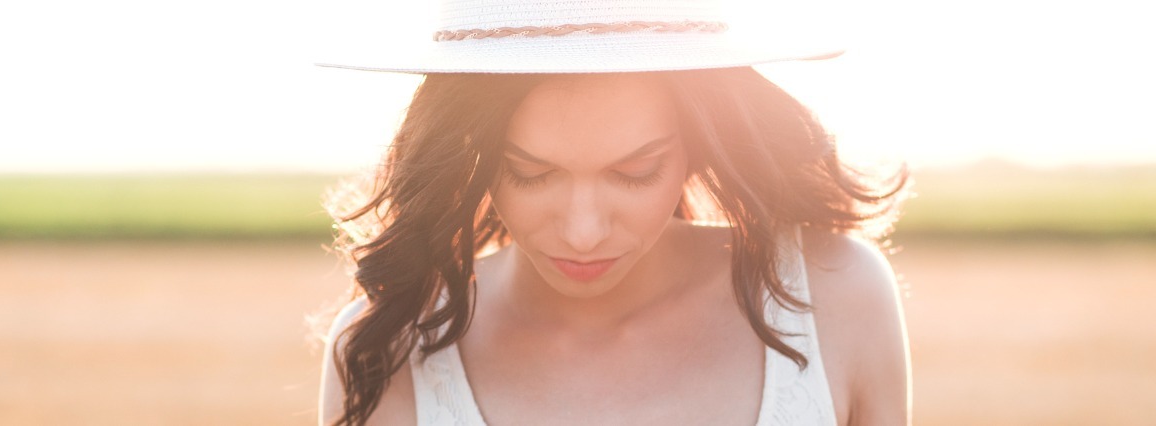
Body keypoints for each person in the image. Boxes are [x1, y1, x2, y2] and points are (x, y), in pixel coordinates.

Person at [318, 1, 911, 425]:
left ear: (701, 145)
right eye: (530, 172)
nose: (582, 232)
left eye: (634, 173)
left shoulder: (837, 298)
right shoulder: (383, 352)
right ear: (468, 156)